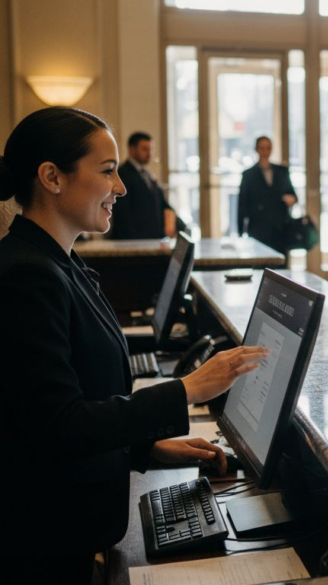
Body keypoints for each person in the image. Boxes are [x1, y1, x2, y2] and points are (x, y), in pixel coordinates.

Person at [0, 107, 268, 584]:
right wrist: (187, 389)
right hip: (44, 547)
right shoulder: (26, 275)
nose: (120, 187)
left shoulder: (57, 262)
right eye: (107, 171)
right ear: (52, 177)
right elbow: (56, 426)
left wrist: (148, 448)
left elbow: (76, 405)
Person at [110, 131, 178, 239]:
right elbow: (122, 214)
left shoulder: (147, 175)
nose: (149, 153)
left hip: (152, 238)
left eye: (151, 149)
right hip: (133, 241)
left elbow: (161, 203)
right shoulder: (122, 174)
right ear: (132, 149)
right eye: (145, 149)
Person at [238, 136, 298, 255]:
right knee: (260, 260)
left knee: (280, 261)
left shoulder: (282, 172)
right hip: (258, 227)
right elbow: (242, 204)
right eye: (262, 148)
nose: (265, 151)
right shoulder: (248, 175)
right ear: (256, 149)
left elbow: (292, 194)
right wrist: (241, 231)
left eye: (268, 148)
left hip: (280, 227)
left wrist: (291, 200)